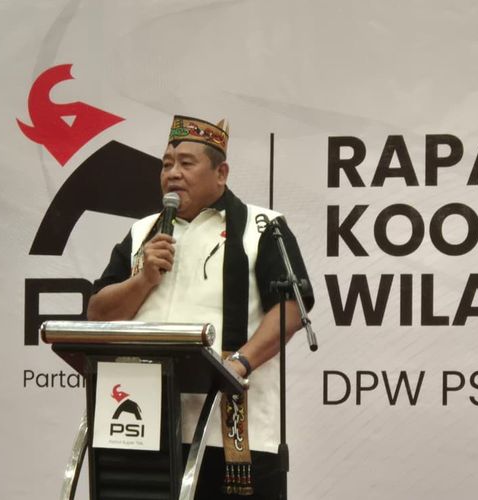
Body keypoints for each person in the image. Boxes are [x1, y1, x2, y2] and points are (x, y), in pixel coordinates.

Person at [88, 115, 314, 499]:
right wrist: (143, 279)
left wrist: (238, 365)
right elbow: (98, 314)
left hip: (230, 428)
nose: (172, 174)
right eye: (166, 165)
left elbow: (290, 310)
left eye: (186, 163)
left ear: (221, 173)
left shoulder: (262, 226)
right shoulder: (143, 232)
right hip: (143, 428)